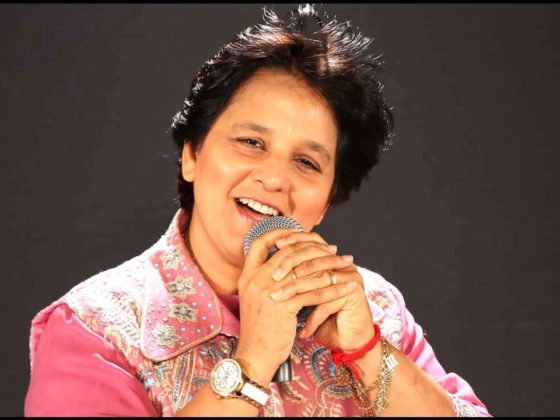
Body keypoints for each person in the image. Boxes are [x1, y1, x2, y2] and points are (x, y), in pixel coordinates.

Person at [24, 4, 490, 417]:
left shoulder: (374, 308)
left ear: (327, 200)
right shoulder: (96, 328)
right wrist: (252, 362)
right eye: (251, 142)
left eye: (306, 163)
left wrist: (368, 352)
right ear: (191, 154)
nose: (274, 178)